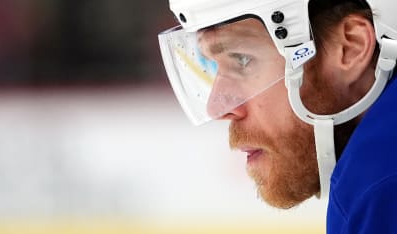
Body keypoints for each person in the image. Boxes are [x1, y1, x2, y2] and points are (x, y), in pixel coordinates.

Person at [158, 0, 397, 233]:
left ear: (350, 47)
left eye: (242, 59)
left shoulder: (378, 187)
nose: (217, 108)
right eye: (211, 66)